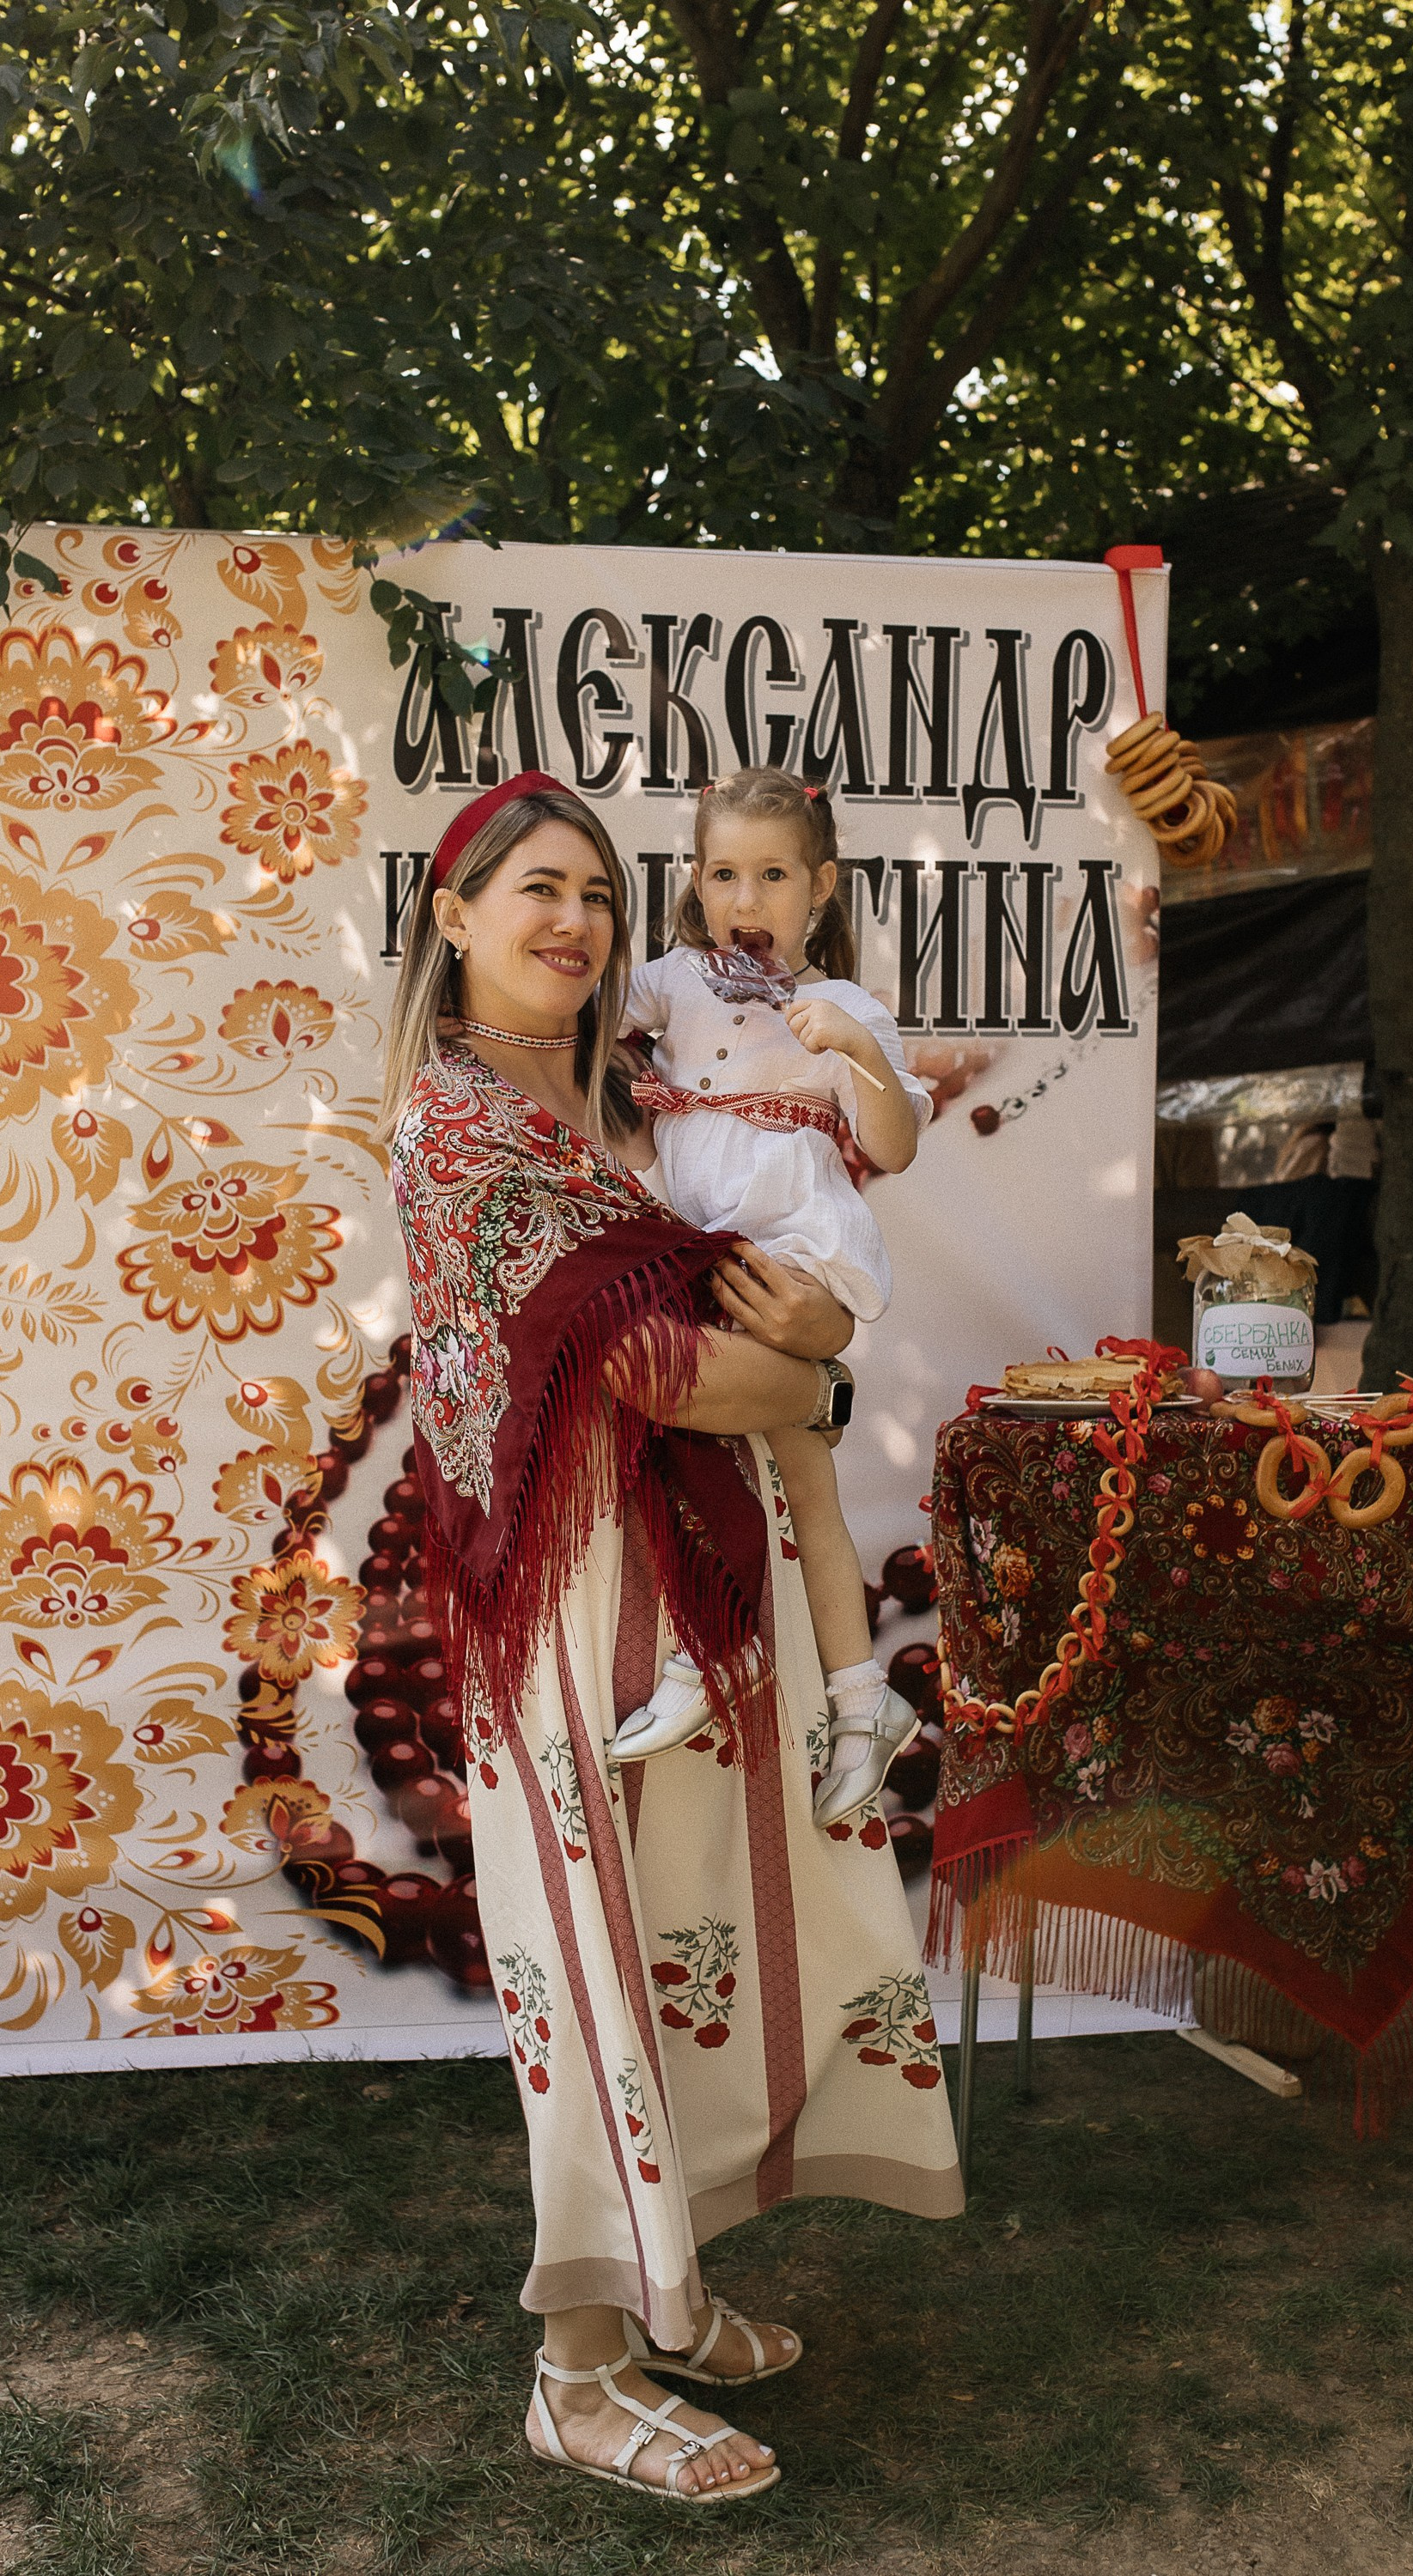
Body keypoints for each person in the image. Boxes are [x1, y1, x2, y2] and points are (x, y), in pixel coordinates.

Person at [381, 769, 962, 2506]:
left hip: (707, 1574)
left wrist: (798, 1367)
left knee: (707, 1931)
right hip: (570, 1602)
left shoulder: (636, 1085)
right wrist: (823, 1374)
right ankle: (575, 2371)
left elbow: (769, 1285)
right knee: (595, 1962)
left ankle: (674, 2289)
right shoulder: (464, 1129)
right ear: (454, 916)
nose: (572, 921)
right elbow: (676, 1369)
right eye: (533, 890)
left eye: (596, 896)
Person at [610, 768, 925, 1827]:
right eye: (724, 874)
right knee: (752, 1455)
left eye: (773, 875)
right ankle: (859, 1697)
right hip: (704, 1247)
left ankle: (718, 1654)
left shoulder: (838, 1008)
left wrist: (862, 1058)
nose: (747, 900)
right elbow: (591, 1010)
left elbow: (892, 1145)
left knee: (748, 1446)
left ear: (819, 888)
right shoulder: (673, 983)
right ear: (696, 883)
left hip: (789, 1248)